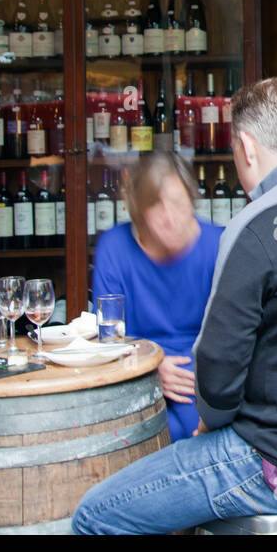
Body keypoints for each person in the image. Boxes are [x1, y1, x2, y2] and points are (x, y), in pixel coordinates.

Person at [73, 78, 277, 534]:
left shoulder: (257, 225)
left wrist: (209, 426)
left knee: (94, 516)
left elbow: (216, 371)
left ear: (247, 147)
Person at [91, 150, 222, 443]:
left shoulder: (219, 244)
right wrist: (151, 366)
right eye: (155, 207)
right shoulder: (114, 248)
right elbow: (110, 337)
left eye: (177, 202)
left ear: (192, 198)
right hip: (137, 371)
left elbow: (235, 335)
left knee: (192, 433)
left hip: (201, 374)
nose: (170, 217)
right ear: (138, 213)